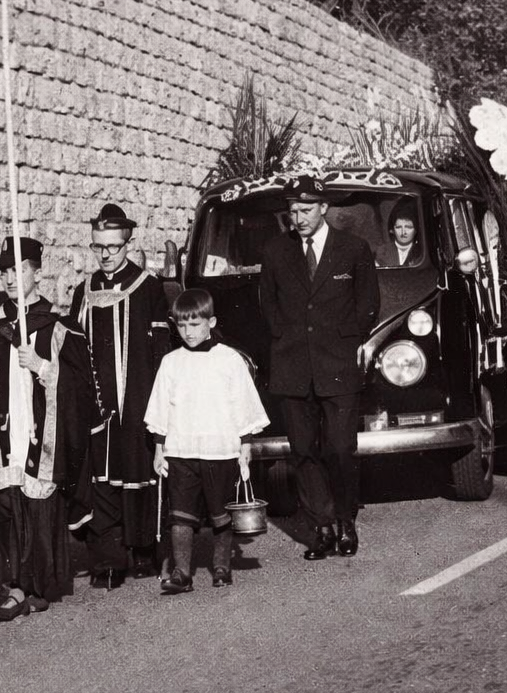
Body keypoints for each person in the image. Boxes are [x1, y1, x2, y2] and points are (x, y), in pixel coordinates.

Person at [258, 175, 380, 559]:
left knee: (341, 449)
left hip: (338, 365)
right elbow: (268, 303)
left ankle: (346, 522)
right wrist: (286, 335)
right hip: (293, 365)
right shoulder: (277, 251)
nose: (299, 218)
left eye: (307, 210)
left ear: (324, 208)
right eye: (293, 211)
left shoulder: (353, 249)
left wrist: (344, 338)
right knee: (304, 451)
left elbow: (368, 304)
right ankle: (321, 527)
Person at [0, 237, 95, 621]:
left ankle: (37, 586)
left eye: (19, 269)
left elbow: (79, 387)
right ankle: (15, 585)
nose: (11, 278)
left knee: (40, 508)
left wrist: (43, 365)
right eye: (6, 271)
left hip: (40, 430)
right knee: (9, 507)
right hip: (4, 430)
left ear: (37, 272)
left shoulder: (58, 327)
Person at [69, 203, 173, 589]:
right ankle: (108, 560)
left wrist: (158, 404)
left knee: (138, 473)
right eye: (98, 247)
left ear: (128, 243)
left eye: (113, 246)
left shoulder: (147, 288)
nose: (106, 255)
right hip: (98, 404)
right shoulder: (85, 290)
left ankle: (143, 551)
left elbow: (162, 350)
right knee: (101, 479)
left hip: (138, 400)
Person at [145, 289, 270, 593]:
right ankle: (181, 573)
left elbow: (243, 404)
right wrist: (160, 449)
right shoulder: (171, 362)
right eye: (182, 326)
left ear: (211, 322)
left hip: (220, 449)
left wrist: (245, 446)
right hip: (181, 448)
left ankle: (222, 567)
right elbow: (161, 406)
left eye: (196, 325)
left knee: (221, 511)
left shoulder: (229, 360)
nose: (188, 332)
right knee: (181, 513)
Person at [374, 201, 424, 268]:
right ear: (392, 230)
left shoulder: (422, 252)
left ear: (415, 230)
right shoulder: (382, 252)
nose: (403, 232)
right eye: (398, 227)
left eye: (408, 227)